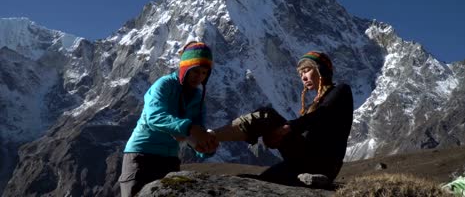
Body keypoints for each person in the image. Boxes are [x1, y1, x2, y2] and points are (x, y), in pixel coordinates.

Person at [212, 51, 354, 187]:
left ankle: (211, 137)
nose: (303, 77)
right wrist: (278, 138)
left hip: (322, 162)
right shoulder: (314, 105)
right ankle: (212, 137)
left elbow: (321, 115)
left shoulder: (341, 91)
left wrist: (286, 129)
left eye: (306, 70)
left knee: (266, 115)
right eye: (301, 74)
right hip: (304, 161)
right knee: (265, 179)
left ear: (321, 70)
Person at [119, 41, 218, 197]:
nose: (199, 77)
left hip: (170, 159)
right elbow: (154, 117)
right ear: (185, 68)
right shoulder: (164, 85)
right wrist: (189, 128)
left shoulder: (198, 98)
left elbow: (197, 131)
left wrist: (205, 148)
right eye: (195, 71)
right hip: (142, 155)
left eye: (204, 73)